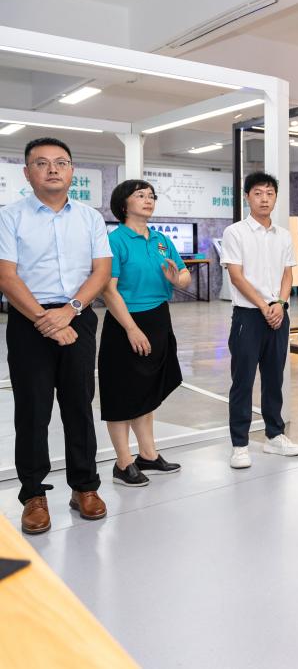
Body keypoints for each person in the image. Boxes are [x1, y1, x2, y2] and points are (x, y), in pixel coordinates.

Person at [0, 137, 112, 533]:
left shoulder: (89, 217)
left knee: (79, 405)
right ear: (27, 172)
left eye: (61, 162)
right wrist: (44, 320)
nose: (52, 169)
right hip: (28, 320)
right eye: (42, 162)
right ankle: (33, 494)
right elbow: (6, 276)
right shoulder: (10, 216)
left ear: (71, 171)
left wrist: (69, 312)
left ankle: (85, 487)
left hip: (77, 315)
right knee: (33, 409)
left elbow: (101, 271)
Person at [99, 180, 191, 487]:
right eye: (140, 195)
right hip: (125, 321)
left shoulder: (161, 239)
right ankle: (123, 462)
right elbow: (108, 290)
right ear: (123, 204)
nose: (148, 200)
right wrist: (131, 328)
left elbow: (184, 274)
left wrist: (176, 278)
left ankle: (148, 455)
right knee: (121, 393)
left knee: (147, 389)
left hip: (158, 318)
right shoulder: (116, 241)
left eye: (151, 196)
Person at [221, 172, 298, 469]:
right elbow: (236, 276)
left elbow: (287, 274)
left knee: (274, 379)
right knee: (242, 380)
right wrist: (264, 305)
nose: (264, 199)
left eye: (269, 193)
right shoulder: (235, 232)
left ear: (275, 197)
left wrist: (280, 303)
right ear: (247, 197)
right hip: (249, 316)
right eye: (258, 193)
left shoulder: (283, 235)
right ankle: (240, 444)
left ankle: (274, 436)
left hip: (278, 314)